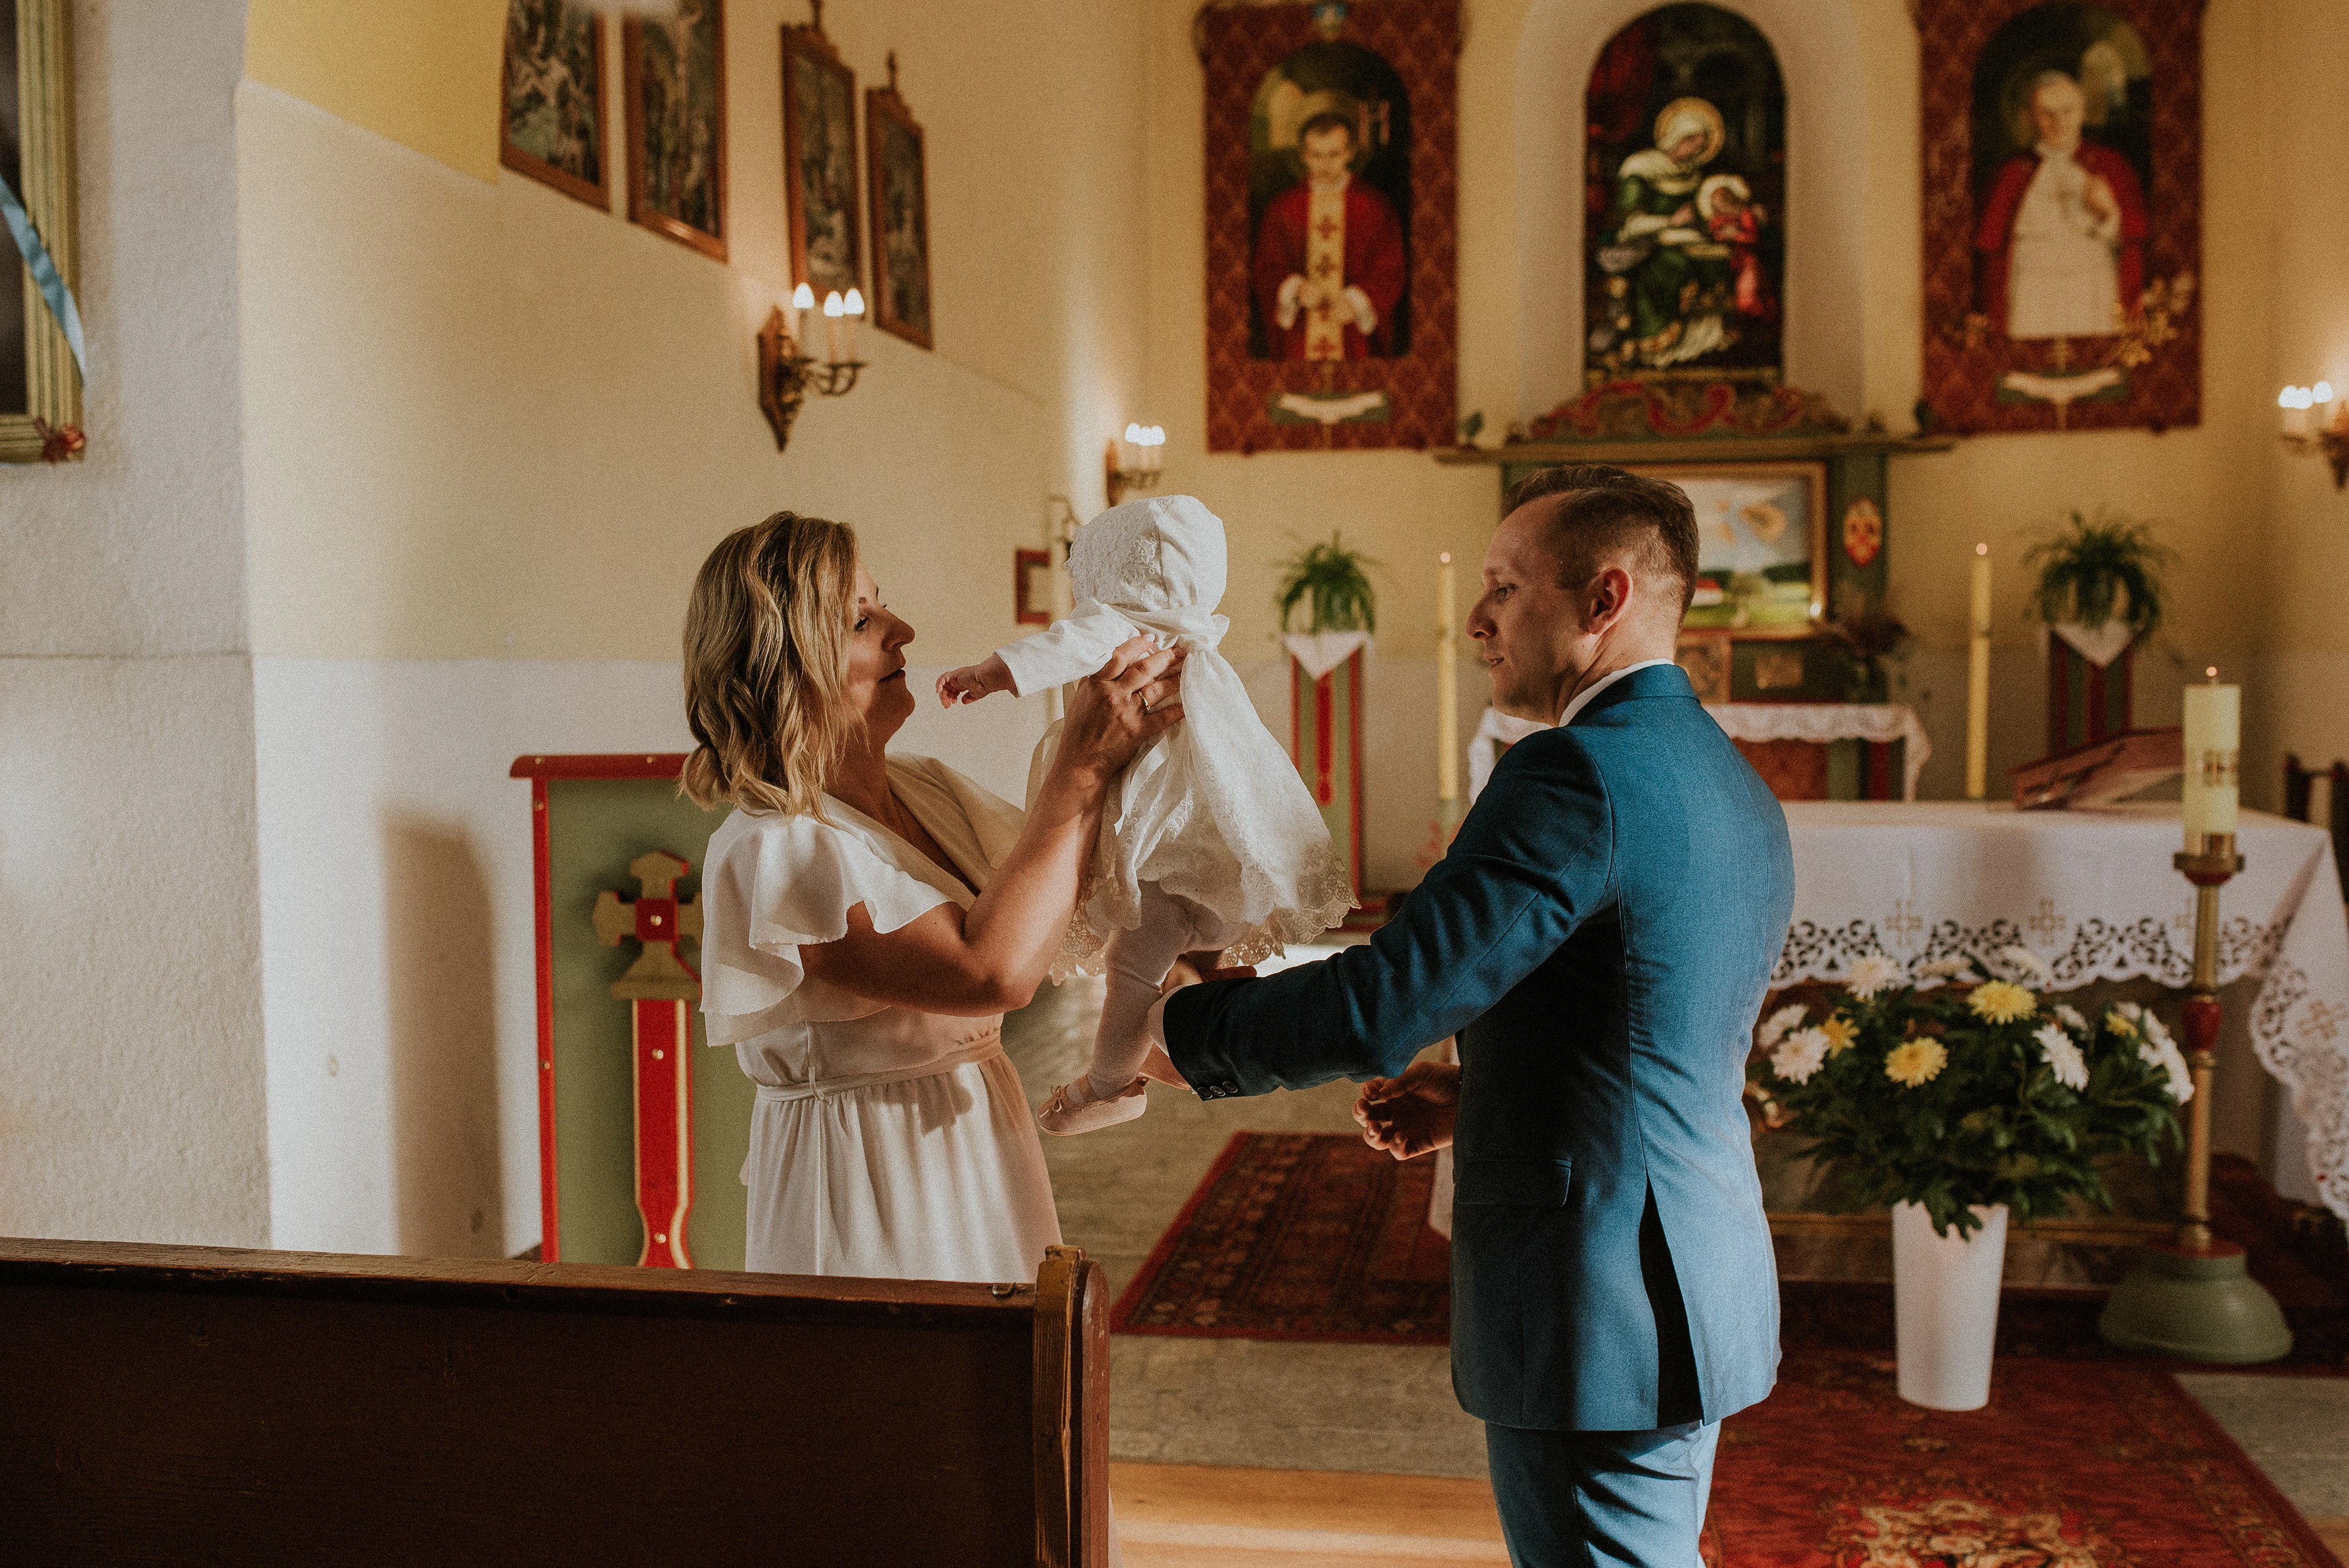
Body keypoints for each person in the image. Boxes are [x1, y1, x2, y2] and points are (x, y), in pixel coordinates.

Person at [1140, 465, 1795, 1568]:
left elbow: (1385, 999)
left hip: (1600, 1294)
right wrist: (1485, 1089)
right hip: (1691, 1264)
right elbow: (1649, 1018)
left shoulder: (1573, 773)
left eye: (1506, 586)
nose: (1479, 619)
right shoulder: (1722, 769)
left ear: (1604, 598)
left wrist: (1179, 1032)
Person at [681, 510, 1184, 1279]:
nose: (903, 630)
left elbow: (1064, 911)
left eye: (881, 605)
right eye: (860, 620)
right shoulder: (773, 848)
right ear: (783, 665)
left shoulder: (927, 787)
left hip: (980, 1142)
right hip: (867, 1177)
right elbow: (990, 972)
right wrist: (1081, 763)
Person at [935, 495, 1351, 1134]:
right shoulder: (1197, 638)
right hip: (1218, 849)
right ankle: (1183, 1037)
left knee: (1129, 972)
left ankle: (1108, 1086)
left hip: (1162, 850)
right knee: (1173, 965)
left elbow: (1063, 646)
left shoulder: (1124, 627)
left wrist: (989, 673)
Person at [1973, 69, 2146, 339]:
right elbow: (1992, 249)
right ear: (2030, 117)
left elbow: (2133, 241)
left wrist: (2108, 213)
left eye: (2068, 111)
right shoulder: (2012, 173)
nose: (2059, 122)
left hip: (2091, 281)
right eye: (2047, 114)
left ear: (2082, 112)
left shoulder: (2110, 164)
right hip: (2032, 283)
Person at [1593, 97, 1739, 372]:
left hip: (1682, 240)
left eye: (1701, 145)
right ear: (1674, 136)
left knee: (1720, 257)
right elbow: (1630, 224)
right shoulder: (1640, 168)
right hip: (1643, 244)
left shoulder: (1692, 175)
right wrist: (1670, 221)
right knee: (1677, 265)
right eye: (1691, 141)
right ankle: (1657, 346)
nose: (1695, 150)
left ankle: (1701, 343)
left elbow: (1702, 212)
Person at [1250, 111, 1406, 360]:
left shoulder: (1374, 208)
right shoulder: (1283, 209)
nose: (1325, 165)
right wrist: (1297, 288)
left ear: (1350, 153)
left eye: (1334, 154)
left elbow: (1389, 270)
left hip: (1354, 336)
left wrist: (1356, 301)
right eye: (1317, 155)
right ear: (1304, 155)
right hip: (1301, 334)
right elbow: (1267, 268)